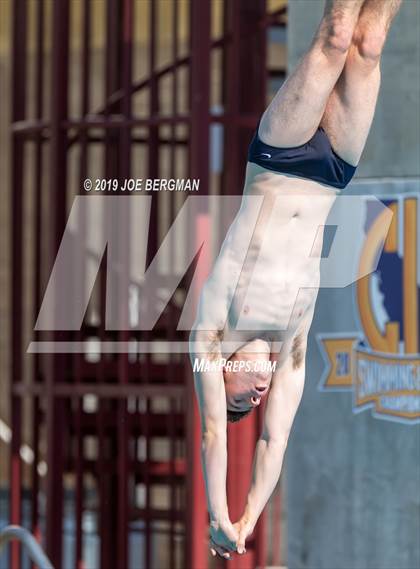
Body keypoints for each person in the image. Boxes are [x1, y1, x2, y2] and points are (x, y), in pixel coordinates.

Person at [189, 0, 402, 559]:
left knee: (335, 38)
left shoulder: (212, 337)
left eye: (241, 399)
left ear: (224, 377)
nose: (255, 398)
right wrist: (246, 522)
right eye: (252, 403)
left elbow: (214, 435)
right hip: (333, 172)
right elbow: (273, 441)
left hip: (279, 159)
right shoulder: (290, 350)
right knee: (371, 43)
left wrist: (218, 514)